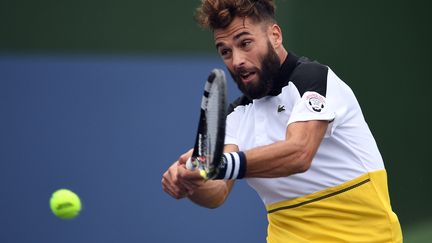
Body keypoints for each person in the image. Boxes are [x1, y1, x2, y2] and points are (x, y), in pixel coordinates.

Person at [161, 0, 403, 242]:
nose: (237, 61)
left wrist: (219, 164)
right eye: (225, 51)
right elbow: (217, 192)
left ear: (275, 36)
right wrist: (192, 180)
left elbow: (299, 153)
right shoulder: (236, 116)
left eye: (245, 43)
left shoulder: (314, 80)